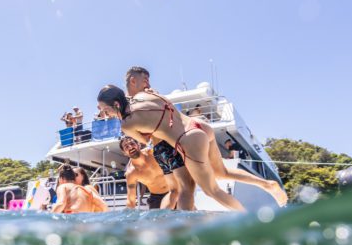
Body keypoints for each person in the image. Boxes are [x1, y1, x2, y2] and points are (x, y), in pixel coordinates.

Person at [97, 84, 288, 211]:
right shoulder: (143, 95)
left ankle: (248, 221)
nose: (107, 115)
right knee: (221, 172)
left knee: (211, 190)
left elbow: (145, 140)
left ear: (116, 104)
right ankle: (267, 184)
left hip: (187, 140)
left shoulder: (126, 124)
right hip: (198, 125)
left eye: (106, 110)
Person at [125, 66, 195, 210]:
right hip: (165, 147)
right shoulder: (132, 171)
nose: (148, 84)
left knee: (178, 191)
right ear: (133, 81)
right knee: (184, 188)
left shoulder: (144, 99)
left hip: (160, 149)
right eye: (145, 80)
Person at [119, 136, 174, 210]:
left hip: (174, 190)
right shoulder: (131, 173)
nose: (130, 147)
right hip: (157, 199)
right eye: (126, 147)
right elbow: (131, 200)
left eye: (132, 143)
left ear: (138, 144)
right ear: (124, 153)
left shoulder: (152, 152)